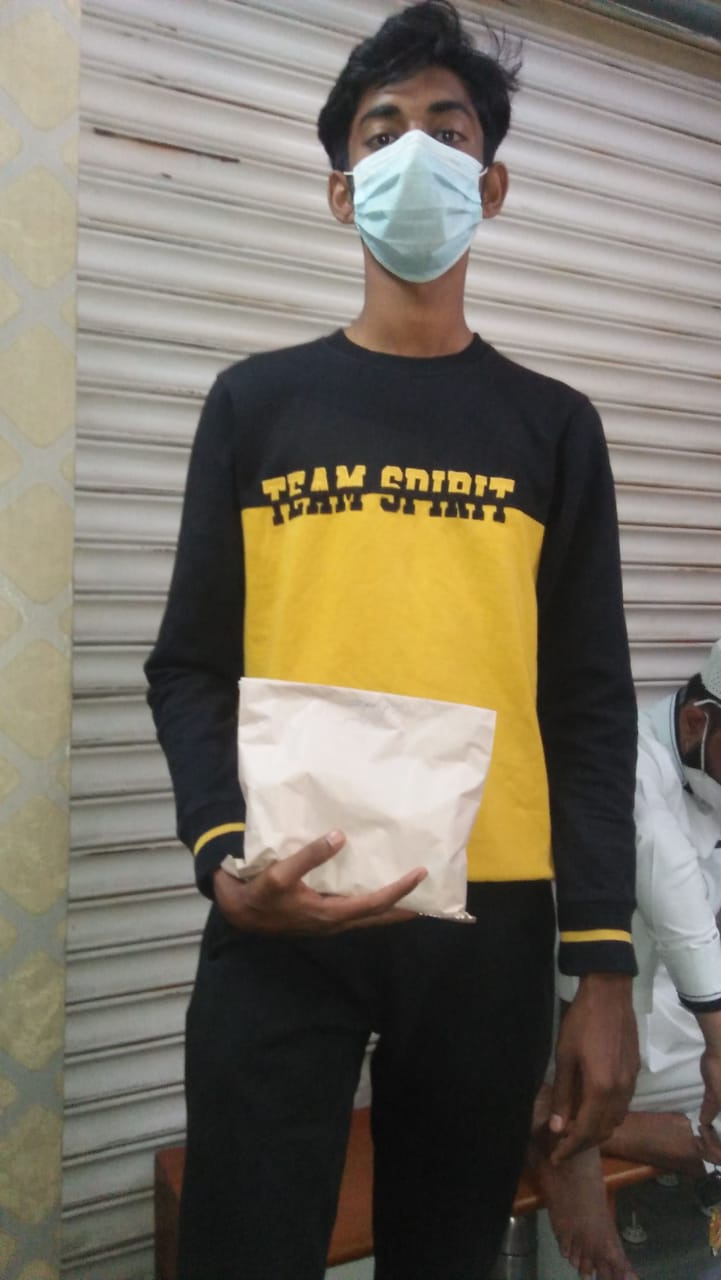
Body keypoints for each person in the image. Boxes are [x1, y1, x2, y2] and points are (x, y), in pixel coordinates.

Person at [145, 4, 640, 1277]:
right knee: (242, 1250)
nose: (413, 152)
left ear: (491, 185)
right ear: (340, 189)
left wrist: (602, 967)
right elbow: (188, 665)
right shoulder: (256, 404)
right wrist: (219, 857)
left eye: (447, 130)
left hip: (490, 922)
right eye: (380, 133)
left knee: (445, 1255)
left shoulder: (552, 427)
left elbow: (589, 704)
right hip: (280, 903)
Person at [538, 639, 721, 1280]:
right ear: (697, 721)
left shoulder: (710, 769)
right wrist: (718, 1029)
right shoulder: (629, 751)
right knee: (623, 873)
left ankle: (578, 1123)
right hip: (591, 1020)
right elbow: (665, 869)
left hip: (677, 1041)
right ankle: (582, 1122)